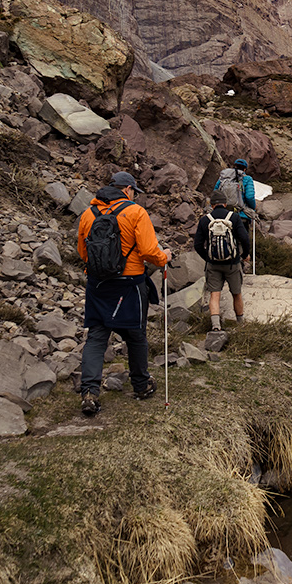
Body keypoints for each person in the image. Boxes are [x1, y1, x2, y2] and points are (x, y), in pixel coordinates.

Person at [75, 171, 169, 416]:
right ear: (127, 190)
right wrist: (164, 257)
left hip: (97, 283)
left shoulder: (88, 214)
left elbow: (83, 252)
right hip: (129, 283)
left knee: (96, 337)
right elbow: (149, 251)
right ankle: (141, 385)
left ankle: (89, 392)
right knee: (136, 335)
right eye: (133, 192)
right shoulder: (136, 212)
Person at [194, 193, 251, 335]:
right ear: (225, 204)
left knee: (215, 293)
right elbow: (245, 239)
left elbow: (198, 245)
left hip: (213, 264)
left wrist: (207, 257)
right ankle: (240, 324)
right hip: (232, 264)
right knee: (236, 293)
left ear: (212, 205)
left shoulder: (205, 220)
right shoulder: (234, 217)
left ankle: (216, 326)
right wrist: (244, 255)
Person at [214, 158, 257, 259]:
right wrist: (253, 208)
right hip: (241, 215)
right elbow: (250, 196)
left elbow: (215, 193)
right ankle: (240, 263)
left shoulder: (223, 178)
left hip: (224, 215)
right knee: (242, 239)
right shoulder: (247, 179)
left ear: (234, 166)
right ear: (245, 169)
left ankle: (223, 260)